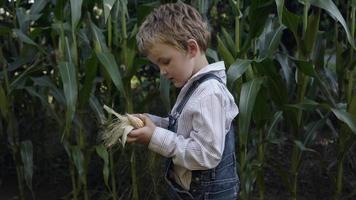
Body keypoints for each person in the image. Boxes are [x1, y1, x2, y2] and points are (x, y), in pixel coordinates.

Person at [127, 1, 240, 199]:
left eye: (166, 61)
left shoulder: (209, 93)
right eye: (158, 65)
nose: (162, 72)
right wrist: (151, 122)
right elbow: (185, 129)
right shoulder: (194, 87)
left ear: (191, 48)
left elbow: (206, 154)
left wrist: (155, 137)